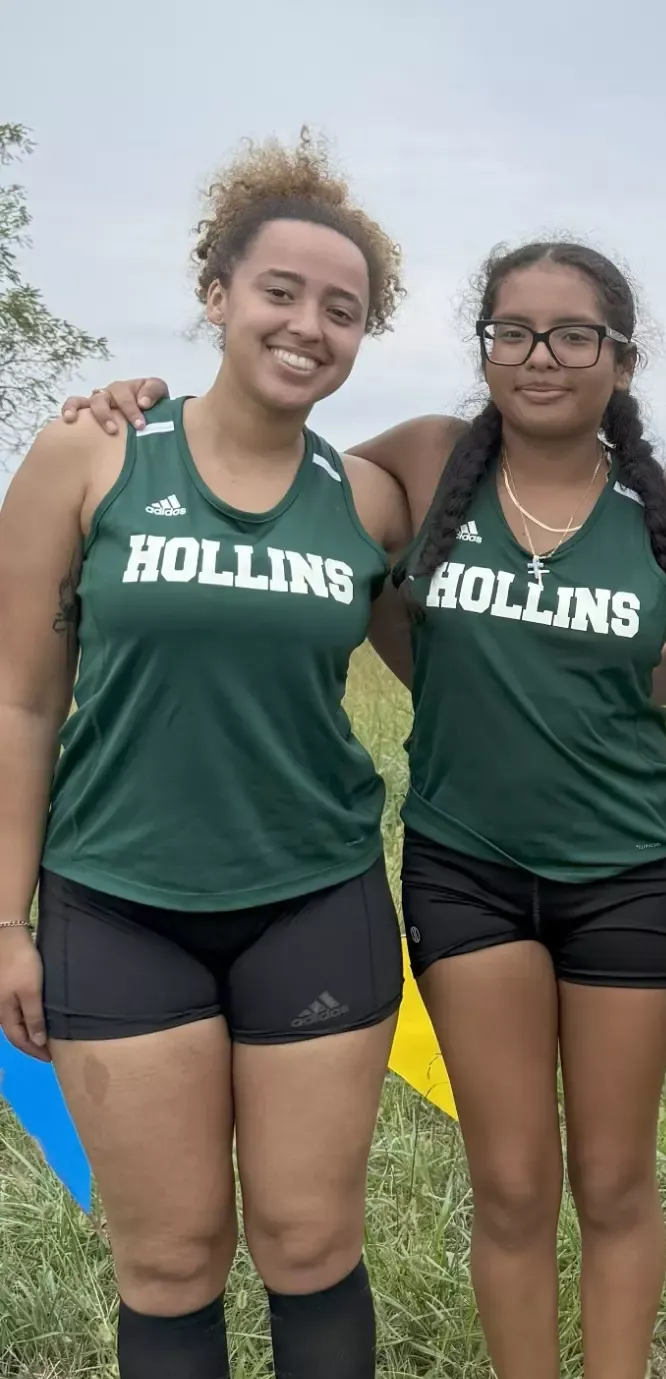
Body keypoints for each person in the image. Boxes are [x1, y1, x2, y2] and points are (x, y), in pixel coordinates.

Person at [67, 239, 666, 1379]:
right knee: (511, 1180)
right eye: (511, 331)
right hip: (465, 867)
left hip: (628, 871)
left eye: (575, 335)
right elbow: (276, 477)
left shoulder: (660, 504)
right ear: (483, 345)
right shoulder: (423, 461)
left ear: (621, 357)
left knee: (614, 1177)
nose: (540, 356)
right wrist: (145, 405)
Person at [0, 133, 408, 1379]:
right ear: (218, 293)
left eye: (342, 310)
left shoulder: (370, 497)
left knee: (308, 1237)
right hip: (118, 904)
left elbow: (471, 667)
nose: (307, 326)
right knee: (170, 1259)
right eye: (280, 291)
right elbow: (19, 698)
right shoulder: (94, 451)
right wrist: (5, 919)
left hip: (315, 897)